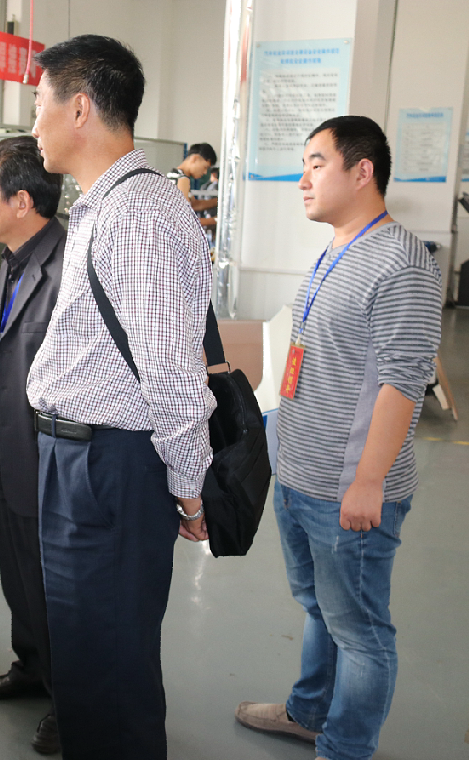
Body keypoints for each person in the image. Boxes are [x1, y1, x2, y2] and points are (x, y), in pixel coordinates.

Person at [24, 35, 215, 758]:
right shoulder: (106, 205)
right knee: (85, 662)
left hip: (108, 469)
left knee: (109, 668)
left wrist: (190, 493)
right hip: (83, 462)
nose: (33, 123)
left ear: (79, 108)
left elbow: (172, 373)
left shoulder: (137, 213)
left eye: (39, 104)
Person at [235, 116, 442, 760]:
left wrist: (369, 482)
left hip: (348, 490)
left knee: (360, 631)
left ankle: (345, 748)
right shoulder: (340, 247)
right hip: (301, 473)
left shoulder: (401, 261)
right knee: (320, 607)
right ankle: (309, 713)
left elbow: (403, 382)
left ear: (362, 171)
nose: (302, 180)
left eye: (317, 164)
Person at [0, 136, 66, 755]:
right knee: (19, 578)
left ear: (22, 201)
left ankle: (69, 697)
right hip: (10, 451)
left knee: (52, 589)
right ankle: (31, 666)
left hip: (48, 464)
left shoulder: (66, 268)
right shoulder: (14, 258)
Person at [167, 142, 219, 228]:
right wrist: (216, 220)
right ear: (195, 158)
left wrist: (219, 201)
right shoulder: (181, 179)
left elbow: (194, 205)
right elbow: (184, 219)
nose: (205, 172)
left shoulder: (176, 175)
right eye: (205, 167)